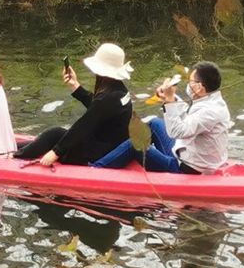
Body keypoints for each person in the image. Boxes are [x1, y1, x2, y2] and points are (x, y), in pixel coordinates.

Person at [92, 62, 230, 174]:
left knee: (136, 144)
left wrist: (169, 102)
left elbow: (176, 132)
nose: (188, 84)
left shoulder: (210, 112)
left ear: (199, 87)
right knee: (154, 123)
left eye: (191, 81)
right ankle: (117, 155)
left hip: (185, 169)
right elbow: (188, 119)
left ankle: (96, 170)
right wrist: (169, 98)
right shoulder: (210, 100)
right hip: (184, 154)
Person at [14, 43, 133, 166]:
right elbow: (98, 109)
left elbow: (83, 125)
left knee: (54, 134)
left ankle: (12, 156)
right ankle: (11, 147)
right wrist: (75, 86)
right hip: (108, 147)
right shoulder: (120, 91)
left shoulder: (106, 98)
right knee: (52, 137)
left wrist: (56, 152)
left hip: (98, 154)